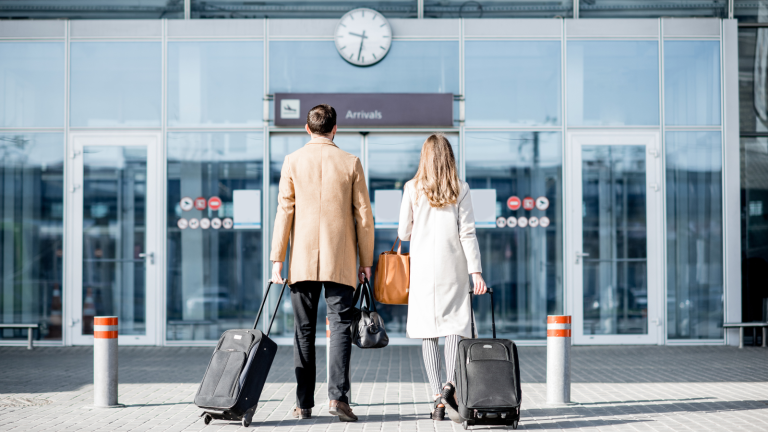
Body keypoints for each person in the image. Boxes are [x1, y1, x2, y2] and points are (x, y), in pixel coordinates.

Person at [270, 104, 374, 422]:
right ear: (335, 129)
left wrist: (277, 258)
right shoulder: (350, 162)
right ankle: (338, 398)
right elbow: (364, 217)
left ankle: (303, 404)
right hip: (340, 259)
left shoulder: (292, 161)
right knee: (340, 327)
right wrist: (366, 261)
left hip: (301, 260)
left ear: (307, 128)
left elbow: (284, 212)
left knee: (303, 331)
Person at [397, 133, 487, 422]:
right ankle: (451, 386)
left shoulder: (412, 188)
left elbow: (403, 233)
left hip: (423, 270)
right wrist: (476, 272)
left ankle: (437, 398)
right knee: (453, 327)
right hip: (454, 267)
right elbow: (468, 233)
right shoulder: (460, 188)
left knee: (428, 331)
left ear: (424, 157)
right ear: (449, 157)